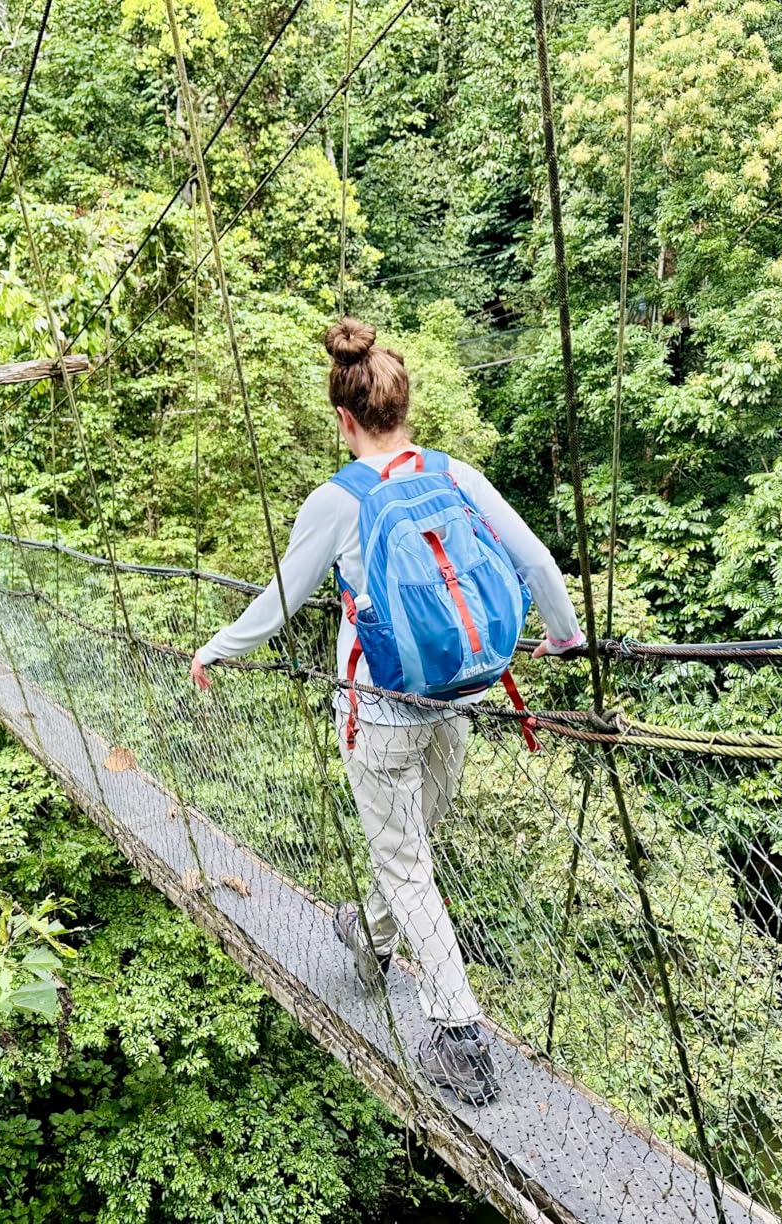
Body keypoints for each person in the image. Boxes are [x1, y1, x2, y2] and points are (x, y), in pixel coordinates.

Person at [191, 318, 585, 1105]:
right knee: (409, 850)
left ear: (344, 418)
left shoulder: (338, 500)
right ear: (403, 406)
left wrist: (215, 650)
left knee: (406, 862)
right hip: (462, 696)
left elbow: (281, 602)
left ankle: (459, 1033)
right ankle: (368, 939)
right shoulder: (454, 473)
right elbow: (537, 560)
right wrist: (565, 635)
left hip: (382, 713)